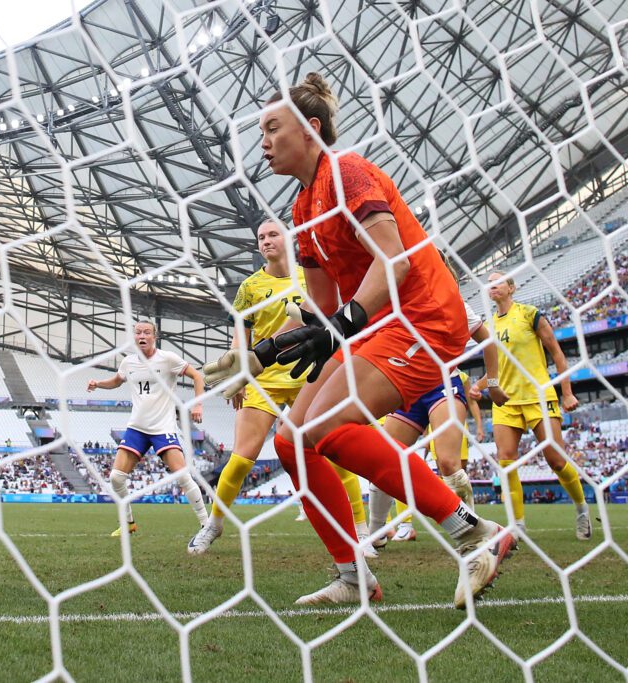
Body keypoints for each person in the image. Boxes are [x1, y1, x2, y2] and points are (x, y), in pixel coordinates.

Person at [208, 73, 514, 608]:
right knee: (291, 439)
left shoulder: (346, 172)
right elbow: (320, 309)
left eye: (272, 128)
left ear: (311, 130)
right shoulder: (304, 210)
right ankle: (353, 576)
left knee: (325, 425)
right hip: (375, 326)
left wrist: (345, 322)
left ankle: (473, 532)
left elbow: (391, 257)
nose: (262, 142)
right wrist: (254, 356)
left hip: (423, 317)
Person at [187, 221, 374, 558]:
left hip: (309, 374)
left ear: (289, 239)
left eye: (273, 234)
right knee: (243, 458)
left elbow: (332, 317)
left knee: (333, 448)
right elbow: (240, 339)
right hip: (264, 378)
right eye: (261, 237)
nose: (266, 241)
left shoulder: (313, 276)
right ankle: (213, 524)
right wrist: (238, 375)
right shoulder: (249, 287)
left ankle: (361, 531)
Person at [368, 290, 510, 544]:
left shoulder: (457, 305)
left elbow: (488, 342)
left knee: (447, 463)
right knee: (382, 459)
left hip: (443, 383)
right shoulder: (402, 301)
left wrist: (493, 382)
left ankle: (474, 533)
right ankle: (376, 532)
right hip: (409, 386)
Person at [475, 272, 590, 539]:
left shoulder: (530, 314)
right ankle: (518, 527)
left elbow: (557, 353)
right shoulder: (488, 326)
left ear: (511, 288)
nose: (492, 286)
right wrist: (478, 386)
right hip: (505, 400)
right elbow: (496, 368)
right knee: (506, 461)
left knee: (556, 460)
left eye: (498, 281)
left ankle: (582, 509)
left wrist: (567, 393)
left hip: (538, 396)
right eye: (489, 283)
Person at [86, 320, 207, 535]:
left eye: (147, 332)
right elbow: (116, 381)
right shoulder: (128, 363)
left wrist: (197, 404)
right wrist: (98, 384)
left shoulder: (168, 359)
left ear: (154, 336)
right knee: (116, 477)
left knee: (182, 476)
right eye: (138, 332)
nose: (142, 335)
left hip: (163, 428)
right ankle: (128, 523)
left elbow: (198, 376)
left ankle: (206, 524)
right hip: (137, 428)